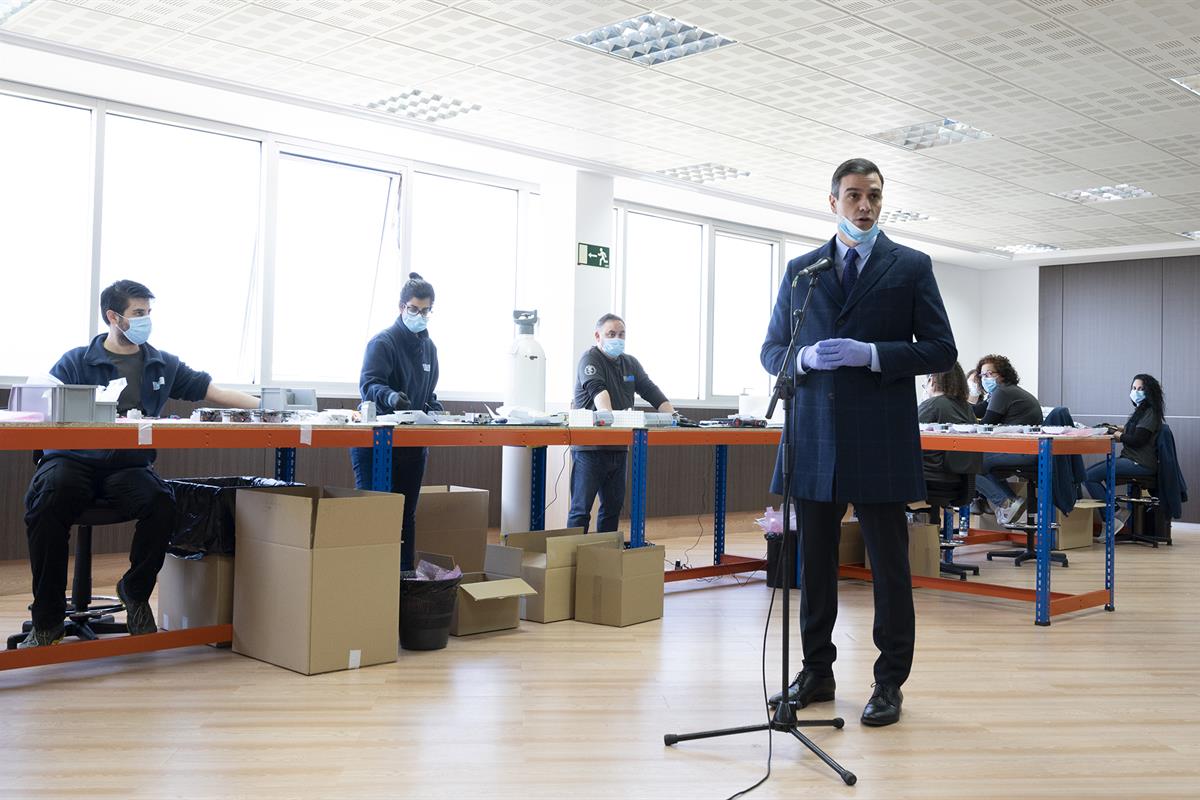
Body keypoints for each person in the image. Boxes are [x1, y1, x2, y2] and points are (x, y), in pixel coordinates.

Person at [761, 158, 956, 727]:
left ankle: (889, 680)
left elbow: (941, 349)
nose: (864, 206)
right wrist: (799, 358)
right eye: (853, 196)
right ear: (832, 202)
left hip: (880, 437)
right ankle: (816, 670)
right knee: (814, 564)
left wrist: (872, 355)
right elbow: (772, 348)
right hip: (813, 436)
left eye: (872, 196)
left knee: (889, 566)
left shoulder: (910, 266)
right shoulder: (803, 271)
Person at [21, 280, 260, 648]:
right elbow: (41, 407)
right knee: (50, 495)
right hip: (73, 460)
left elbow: (212, 391)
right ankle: (48, 619)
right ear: (112, 317)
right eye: (138, 313)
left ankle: (133, 591)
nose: (146, 320)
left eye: (148, 313)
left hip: (126, 466)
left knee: (161, 501)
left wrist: (267, 407)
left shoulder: (160, 363)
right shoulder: (76, 361)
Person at [350, 273, 442, 572]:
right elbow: (369, 384)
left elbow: (427, 389)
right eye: (415, 309)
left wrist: (434, 405)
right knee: (377, 515)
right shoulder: (383, 343)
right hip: (377, 443)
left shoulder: (429, 348)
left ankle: (403, 581)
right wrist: (390, 398)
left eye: (426, 310)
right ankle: (370, 580)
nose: (420, 315)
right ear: (402, 307)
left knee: (406, 516)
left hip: (412, 444)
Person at [568, 314, 674, 534]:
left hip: (619, 448)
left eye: (621, 334)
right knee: (581, 511)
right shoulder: (590, 359)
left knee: (612, 509)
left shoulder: (630, 363)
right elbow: (598, 391)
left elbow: (650, 390)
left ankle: (605, 561)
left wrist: (674, 416)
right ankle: (572, 562)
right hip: (590, 450)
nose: (617, 338)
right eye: (611, 334)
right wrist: (607, 416)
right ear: (598, 336)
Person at [1083, 374, 1165, 532]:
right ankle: (1113, 516)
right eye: (1134, 388)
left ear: (1150, 391)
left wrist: (1115, 434)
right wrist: (1115, 429)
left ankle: (1114, 515)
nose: (1136, 391)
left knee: (1089, 476)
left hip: (1140, 463)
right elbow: (1134, 431)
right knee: (1090, 475)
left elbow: (1137, 440)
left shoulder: (1150, 412)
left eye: (1141, 389)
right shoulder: (1141, 411)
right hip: (1132, 459)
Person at [972, 354, 1044, 524]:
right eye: (982, 375)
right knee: (980, 465)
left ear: (1002, 374)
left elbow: (987, 422)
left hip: (1022, 451)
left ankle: (1006, 502)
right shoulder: (1004, 392)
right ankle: (1009, 502)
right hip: (1027, 450)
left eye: (989, 374)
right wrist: (957, 402)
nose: (985, 379)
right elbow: (978, 410)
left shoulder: (1003, 392)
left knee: (969, 463)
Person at [918, 364, 981, 483]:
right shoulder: (966, 407)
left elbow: (909, 440)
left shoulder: (931, 405)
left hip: (933, 475)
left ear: (932, 380)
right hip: (962, 480)